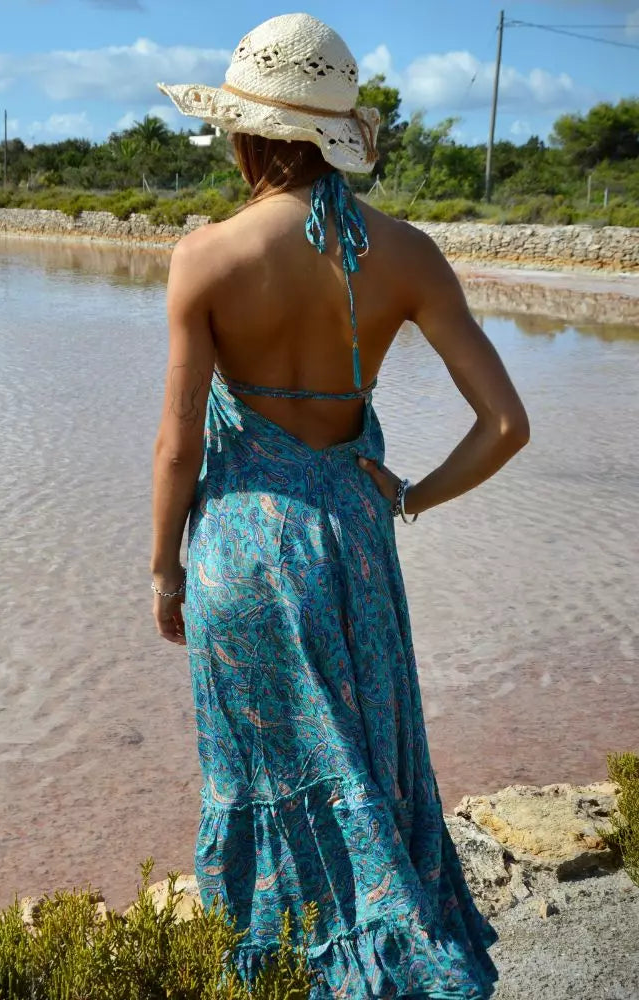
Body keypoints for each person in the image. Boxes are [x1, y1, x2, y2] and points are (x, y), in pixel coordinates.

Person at [149, 12, 529, 999]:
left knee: (257, 775)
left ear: (246, 133)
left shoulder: (204, 257)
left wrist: (163, 567)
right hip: (350, 544)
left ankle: (273, 968)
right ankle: (382, 961)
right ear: (329, 135)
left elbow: (178, 442)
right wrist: (407, 494)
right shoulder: (406, 253)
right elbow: (504, 424)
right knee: (364, 763)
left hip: (236, 544)